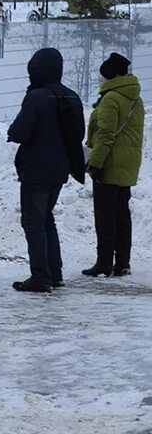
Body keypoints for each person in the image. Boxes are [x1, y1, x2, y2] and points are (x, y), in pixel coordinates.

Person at [6, 47, 84, 292]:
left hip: (36, 169)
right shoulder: (71, 96)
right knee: (46, 219)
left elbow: (19, 132)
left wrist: (12, 133)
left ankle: (41, 275)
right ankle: (55, 272)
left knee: (34, 223)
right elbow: (78, 133)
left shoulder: (37, 96)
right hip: (60, 170)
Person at [83, 52, 144, 278]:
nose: (101, 79)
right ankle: (123, 263)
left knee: (105, 216)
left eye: (103, 75)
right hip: (128, 165)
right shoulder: (135, 98)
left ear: (112, 76)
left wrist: (94, 163)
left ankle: (104, 263)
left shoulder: (110, 99)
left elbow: (105, 135)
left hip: (109, 165)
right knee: (122, 215)